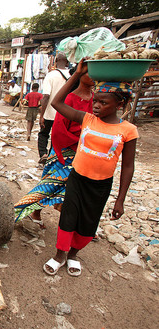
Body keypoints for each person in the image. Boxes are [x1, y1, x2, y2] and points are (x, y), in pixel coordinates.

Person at [43, 59, 138, 277]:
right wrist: (76, 75)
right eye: (95, 101)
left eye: (103, 103)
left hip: (101, 184)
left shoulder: (128, 130)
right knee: (68, 216)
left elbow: (128, 167)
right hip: (77, 178)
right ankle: (60, 255)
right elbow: (57, 103)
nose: (96, 106)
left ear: (119, 105)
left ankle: (74, 255)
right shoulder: (87, 119)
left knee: (88, 221)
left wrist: (120, 199)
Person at [14, 68, 94, 225]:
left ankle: (74, 224)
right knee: (48, 186)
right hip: (66, 150)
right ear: (79, 75)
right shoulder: (71, 98)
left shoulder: (96, 99)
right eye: (88, 73)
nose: (92, 76)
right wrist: (75, 146)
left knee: (76, 189)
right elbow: (58, 130)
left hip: (87, 151)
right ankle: (27, 211)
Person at [38, 53, 70, 164]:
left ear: (55, 61)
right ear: (67, 62)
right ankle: (52, 157)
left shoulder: (51, 75)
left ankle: (43, 154)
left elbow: (46, 96)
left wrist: (41, 115)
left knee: (43, 134)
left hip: (49, 113)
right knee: (55, 137)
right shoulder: (72, 75)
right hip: (65, 113)